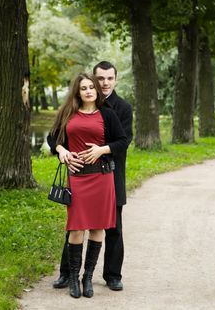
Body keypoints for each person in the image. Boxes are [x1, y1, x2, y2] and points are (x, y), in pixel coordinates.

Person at [52, 61, 133, 292]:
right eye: (100, 79)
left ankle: (111, 275)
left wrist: (102, 149)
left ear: (115, 79)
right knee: (75, 227)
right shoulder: (71, 110)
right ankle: (67, 274)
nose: (104, 83)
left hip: (109, 175)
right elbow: (55, 138)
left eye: (109, 78)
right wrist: (61, 151)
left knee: (112, 228)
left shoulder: (121, 109)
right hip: (79, 176)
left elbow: (123, 142)